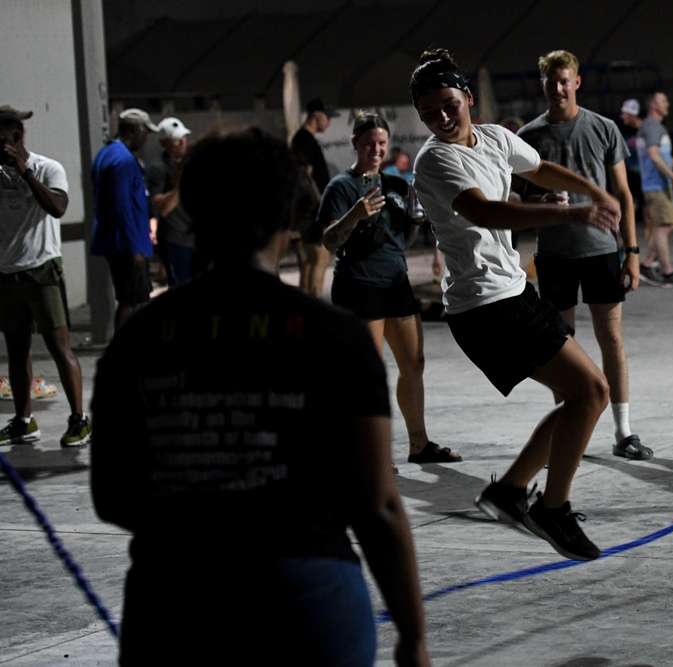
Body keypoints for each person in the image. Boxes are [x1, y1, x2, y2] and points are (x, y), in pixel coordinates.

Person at [90, 127, 430, 666]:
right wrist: (412, 637)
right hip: (308, 599)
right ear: (288, 218)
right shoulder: (335, 337)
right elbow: (378, 505)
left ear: (193, 215)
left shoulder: (136, 340)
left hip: (175, 604)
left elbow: (112, 496)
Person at [411, 48, 619, 561]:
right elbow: (484, 210)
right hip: (485, 307)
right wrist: (568, 218)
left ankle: (510, 492)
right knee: (592, 392)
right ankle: (551, 508)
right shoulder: (435, 159)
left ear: (468, 98)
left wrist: (592, 190)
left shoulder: (498, 138)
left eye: (448, 103)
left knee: (584, 396)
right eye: (430, 111)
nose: (442, 116)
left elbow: (541, 167)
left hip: (512, 292)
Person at [516, 50, 651, 461]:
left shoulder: (603, 128)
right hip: (555, 254)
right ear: (542, 85)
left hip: (600, 251)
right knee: (563, 345)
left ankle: (624, 431)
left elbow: (623, 194)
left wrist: (631, 252)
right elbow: (518, 197)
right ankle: (570, 424)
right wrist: (541, 198)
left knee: (611, 338)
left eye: (564, 80)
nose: (558, 88)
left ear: (577, 82)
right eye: (550, 81)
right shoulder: (528, 137)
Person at [320, 113, 460, 465]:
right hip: (358, 285)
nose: (376, 150)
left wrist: (416, 221)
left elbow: (405, 238)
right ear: (354, 143)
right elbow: (328, 240)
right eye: (369, 143)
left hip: (395, 282)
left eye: (381, 143)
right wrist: (353, 215)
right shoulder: (341, 186)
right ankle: (368, 450)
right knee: (367, 371)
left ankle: (419, 444)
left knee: (414, 364)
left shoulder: (397, 186)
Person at [0, 109, 91, 447]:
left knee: (58, 345)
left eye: (2, 143)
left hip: (42, 269)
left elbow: (58, 207)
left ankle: (79, 419)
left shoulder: (48, 167)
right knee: (17, 348)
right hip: (6, 271)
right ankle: (24, 421)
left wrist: (25, 173)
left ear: (18, 138)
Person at [90, 108, 158, 330]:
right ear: (135, 129)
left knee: (132, 298)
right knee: (133, 300)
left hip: (114, 240)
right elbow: (122, 206)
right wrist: (133, 248)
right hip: (127, 244)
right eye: (146, 132)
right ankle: (126, 349)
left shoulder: (105, 154)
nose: (146, 138)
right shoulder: (123, 160)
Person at [636, 92, 673, 287]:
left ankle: (647, 264)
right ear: (653, 105)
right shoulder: (652, 126)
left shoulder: (656, 127)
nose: (667, 104)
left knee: (667, 225)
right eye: (663, 101)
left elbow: (664, 158)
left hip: (660, 185)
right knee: (663, 227)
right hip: (656, 186)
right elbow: (653, 156)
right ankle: (667, 271)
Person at [147, 117, 201, 286]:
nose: (182, 142)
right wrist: (180, 184)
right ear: (164, 143)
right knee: (181, 290)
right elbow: (162, 208)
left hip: (197, 238)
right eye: (176, 139)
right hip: (176, 239)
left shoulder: (191, 162)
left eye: (183, 137)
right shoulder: (159, 168)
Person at [291, 97, 334, 297]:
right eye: (328, 117)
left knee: (311, 258)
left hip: (308, 207)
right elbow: (304, 176)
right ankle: (314, 303)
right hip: (312, 208)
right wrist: (320, 203)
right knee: (320, 257)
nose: (330, 122)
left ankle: (306, 303)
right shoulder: (304, 140)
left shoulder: (303, 139)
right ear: (317, 116)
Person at [619, 99, 644, 224]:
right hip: (631, 174)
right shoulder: (626, 131)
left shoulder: (645, 130)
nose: (622, 117)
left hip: (643, 175)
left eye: (624, 114)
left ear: (632, 114)